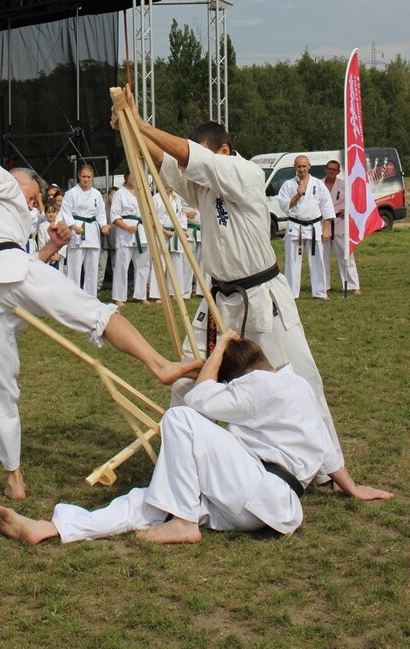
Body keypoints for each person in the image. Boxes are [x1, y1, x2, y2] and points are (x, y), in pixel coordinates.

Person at [0, 162, 203, 501]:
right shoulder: (3, 180)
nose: (32, 202)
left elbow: (6, 252)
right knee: (0, 387)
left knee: (91, 313)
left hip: (0, 277)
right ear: (19, 180)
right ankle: (14, 477)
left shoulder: (12, 215)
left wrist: (49, 250)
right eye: (31, 194)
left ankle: (160, 365)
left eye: (35, 200)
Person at [110, 89, 343, 466]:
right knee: (188, 376)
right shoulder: (202, 182)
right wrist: (130, 130)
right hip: (218, 298)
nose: (195, 166)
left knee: (297, 376)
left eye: (202, 157)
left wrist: (142, 124)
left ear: (223, 151)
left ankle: (328, 466)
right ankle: (181, 458)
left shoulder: (245, 172)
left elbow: (188, 156)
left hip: (263, 295)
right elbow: (166, 162)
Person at [0, 330, 393, 547]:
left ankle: (184, 522)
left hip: (262, 491)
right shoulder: (298, 387)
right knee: (149, 502)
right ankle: (52, 528)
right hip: (258, 500)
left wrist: (217, 350)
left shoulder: (258, 386)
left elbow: (200, 400)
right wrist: (352, 488)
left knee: (181, 419)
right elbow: (325, 451)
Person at [278, 156, 335, 300]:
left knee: (317, 260)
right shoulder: (288, 185)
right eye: (299, 166)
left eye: (304, 166)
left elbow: (326, 207)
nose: (301, 169)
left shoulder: (318, 185)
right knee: (292, 261)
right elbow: (284, 206)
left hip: (314, 225)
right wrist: (297, 195)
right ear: (294, 167)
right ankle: (292, 293)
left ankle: (320, 292)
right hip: (295, 225)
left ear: (309, 166)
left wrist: (326, 228)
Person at [60, 164, 109, 296]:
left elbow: (101, 213)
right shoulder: (71, 193)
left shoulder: (97, 194)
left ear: (92, 177)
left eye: (88, 177)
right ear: (79, 176)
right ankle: (73, 295)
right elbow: (66, 212)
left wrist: (103, 225)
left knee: (92, 267)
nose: (86, 179)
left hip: (92, 231)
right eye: (83, 176)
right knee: (74, 267)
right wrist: (72, 226)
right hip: (77, 230)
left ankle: (90, 296)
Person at [110, 170, 150, 306]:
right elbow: (114, 216)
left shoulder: (142, 192)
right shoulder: (119, 194)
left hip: (142, 231)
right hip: (125, 233)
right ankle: (119, 297)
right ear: (126, 177)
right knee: (121, 266)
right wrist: (126, 227)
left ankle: (141, 294)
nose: (134, 178)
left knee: (143, 265)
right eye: (132, 175)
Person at [322, 160, 361, 295]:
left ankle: (353, 285)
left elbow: (356, 201)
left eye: (334, 169)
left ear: (338, 172)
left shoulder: (344, 185)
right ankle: (323, 286)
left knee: (346, 255)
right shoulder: (318, 184)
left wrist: (348, 211)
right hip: (323, 224)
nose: (332, 171)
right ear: (325, 169)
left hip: (340, 223)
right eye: (329, 168)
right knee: (323, 257)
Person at [149, 184, 186, 303]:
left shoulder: (176, 198)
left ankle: (174, 292)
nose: (166, 186)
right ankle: (157, 294)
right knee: (160, 263)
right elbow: (152, 218)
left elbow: (182, 215)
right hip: (161, 232)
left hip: (175, 233)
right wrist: (163, 231)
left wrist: (182, 230)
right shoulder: (156, 198)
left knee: (176, 263)